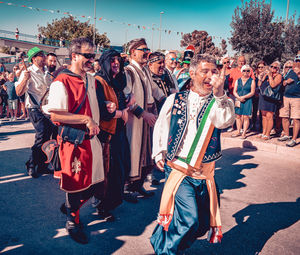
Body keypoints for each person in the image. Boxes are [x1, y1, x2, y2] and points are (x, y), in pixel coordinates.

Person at [150, 54, 235, 255]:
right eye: (205, 71)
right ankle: (168, 251)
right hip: (178, 169)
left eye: (214, 72)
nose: (210, 76)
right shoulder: (175, 99)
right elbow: (162, 126)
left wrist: (221, 94)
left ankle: (164, 241)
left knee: (202, 223)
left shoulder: (219, 102)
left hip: (205, 174)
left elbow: (225, 121)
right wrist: (159, 152)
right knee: (189, 219)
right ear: (192, 73)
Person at [42, 38, 105, 244]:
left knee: (95, 185)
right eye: (88, 55)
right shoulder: (62, 81)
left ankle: (71, 208)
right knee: (75, 185)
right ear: (74, 56)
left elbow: (92, 104)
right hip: (74, 141)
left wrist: (107, 107)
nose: (91, 59)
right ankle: (72, 220)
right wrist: (86, 119)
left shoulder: (91, 79)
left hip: (92, 140)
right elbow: (56, 116)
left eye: (93, 55)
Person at [124, 38, 165, 201]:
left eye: (147, 50)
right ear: (133, 52)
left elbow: (154, 90)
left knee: (147, 153)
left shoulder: (145, 70)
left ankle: (138, 185)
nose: (147, 53)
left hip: (148, 116)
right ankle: (127, 188)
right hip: (135, 120)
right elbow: (126, 96)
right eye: (143, 50)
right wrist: (143, 114)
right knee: (134, 152)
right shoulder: (128, 71)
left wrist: (168, 101)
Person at [94, 49, 131, 220]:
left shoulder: (117, 80)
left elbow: (119, 104)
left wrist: (127, 106)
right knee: (107, 172)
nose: (116, 63)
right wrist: (119, 113)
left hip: (119, 132)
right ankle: (102, 207)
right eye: (112, 60)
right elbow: (100, 110)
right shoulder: (99, 81)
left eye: (118, 60)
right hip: (106, 134)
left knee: (119, 168)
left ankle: (113, 202)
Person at [15, 47, 55, 177]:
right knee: (42, 134)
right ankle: (31, 164)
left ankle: (43, 166)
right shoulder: (28, 72)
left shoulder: (47, 73)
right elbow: (19, 92)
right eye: (40, 55)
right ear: (33, 59)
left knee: (49, 137)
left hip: (47, 110)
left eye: (43, 55)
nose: (44, 57)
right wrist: (25, 79)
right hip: (34, 109)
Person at [257, 61, 282, 140]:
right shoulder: (266, 75)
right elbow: (259, 85)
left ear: (278, 69)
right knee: (263, 116)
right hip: (263, 97)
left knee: (269, 116)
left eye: (275, 67)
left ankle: (268, 134)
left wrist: (270, 76)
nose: (272, 68)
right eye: (271, 66)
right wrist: (261, 78)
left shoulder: (279, 76)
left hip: (271, 98)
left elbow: (273, 85)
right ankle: (264, 132)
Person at [278, 60, 300, 147]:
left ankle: (294, 139)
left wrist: (298, 75)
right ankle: (287, 135)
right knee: (284, 116)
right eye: (296, 60)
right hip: (286, 97)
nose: (289, 68)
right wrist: (287, 82)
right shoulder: (289, 72)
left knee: (296, 119)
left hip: (297, 98)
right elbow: (283, 83)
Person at [231, 65, 255, 139]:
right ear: (242, 71)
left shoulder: (252, 81)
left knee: (246, 117)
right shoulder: (238, 80)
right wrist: (238, 97)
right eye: (244, 70)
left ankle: (244, 133)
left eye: (248, 70)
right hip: (238, 100)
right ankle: (238, 131)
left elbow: (252, 92)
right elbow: (234, 91)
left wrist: (244, 97)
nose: (246, 72)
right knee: (238, 116)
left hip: (247, 100)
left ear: (250, 72)